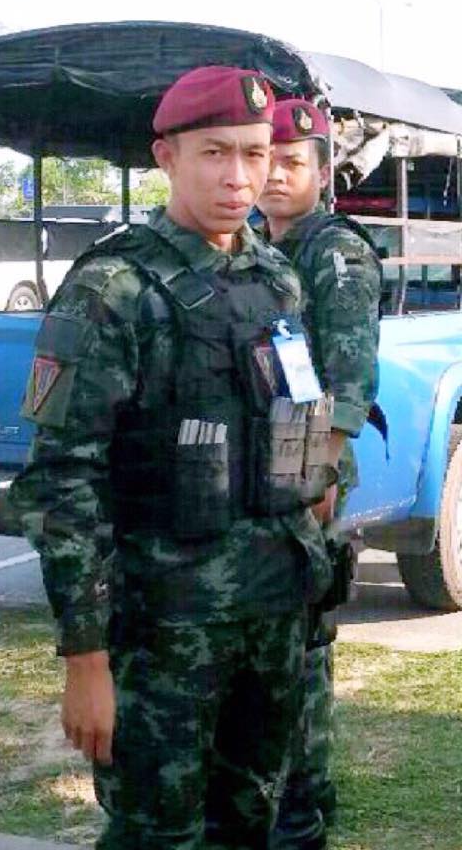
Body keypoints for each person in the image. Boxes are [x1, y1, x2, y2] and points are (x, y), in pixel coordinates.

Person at [9, 65, 336, 849]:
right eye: (214, 153)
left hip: (272, 617)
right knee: (158, 835)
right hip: (163, 634)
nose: (239, 177)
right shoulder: (113, 288)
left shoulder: (276, 278)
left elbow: (298, 417)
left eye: (255, 154)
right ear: (167, 157)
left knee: (253, 824)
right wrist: (85, 657)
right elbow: (62, 481)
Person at [258, 98, 382, 850]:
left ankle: (302, 805)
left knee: (301, 642)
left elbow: (347, 378)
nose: (275, 176)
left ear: (323, 171)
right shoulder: (256, 247)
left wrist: (320, 475)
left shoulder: (334, 253)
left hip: (309, 470)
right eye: (266, 160)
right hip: (262, 467)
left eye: (292, 162)